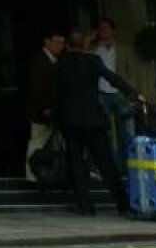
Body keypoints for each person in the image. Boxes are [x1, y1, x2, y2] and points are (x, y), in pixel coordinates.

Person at [54, 28, 145, 215]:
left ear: (68, 46)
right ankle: (122, 204)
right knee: (106, 162)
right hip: (93, 119)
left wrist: (56, 116)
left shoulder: (59, 65)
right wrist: (133, 93)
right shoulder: (92, 61)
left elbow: (55, 95)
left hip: (70, 122)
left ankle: (85, 205)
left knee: (76, 163)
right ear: (83, 45)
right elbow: (112, 78)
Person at [92, 17, 135, 167]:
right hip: (101, 93)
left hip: (120, 93)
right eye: (100, 29)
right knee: (106, 132)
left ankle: (130, 163)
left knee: (127, 132)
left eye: (106, 28)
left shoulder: (123, 49)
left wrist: (132, 92)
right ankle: (111, 165)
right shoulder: (94, 50)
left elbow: (131, 72)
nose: (103, 31)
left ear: (113, 30)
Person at [23, 29, 65, 182]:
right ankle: (32, 175)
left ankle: (52, 173)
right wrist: (45, 108)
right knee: (37, 141)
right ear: (47, 42)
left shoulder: (57, 60)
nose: (61, 46)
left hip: (54, 111)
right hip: (41, 112)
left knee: (52, 142)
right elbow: (36, 87)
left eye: (62, 43)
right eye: (57, 42)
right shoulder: (38, 60)